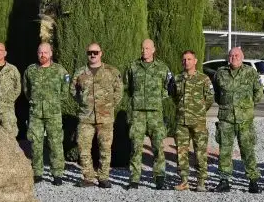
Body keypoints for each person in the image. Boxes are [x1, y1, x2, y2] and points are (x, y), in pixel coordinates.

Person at [70, 43, 124, 188]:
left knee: (105, 148)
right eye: (89, 53)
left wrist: (108, 106)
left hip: (105, 118)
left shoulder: (112, 71)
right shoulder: (80, 72)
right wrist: (84, 104)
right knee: (83, 147)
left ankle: (103, 178)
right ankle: (88, 177)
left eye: (95, 52)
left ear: (101, 53)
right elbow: (73, 91)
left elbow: (119, 92)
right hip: (86, 118)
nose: (92, 55)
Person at [212, 47, 264, 193]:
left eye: (237, 55)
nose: (234, 57)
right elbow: (216, 93)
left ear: (242, 56)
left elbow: (258, 91)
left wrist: (249, 105)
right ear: (228, 58)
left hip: (245, 119)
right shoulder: (220, 73)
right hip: (226, 118)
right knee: (224, 151)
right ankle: (224, 180)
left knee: (248, 150)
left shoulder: (250, 72)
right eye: (231, 55)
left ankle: (253, 181)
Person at [125, 39, 173, 189]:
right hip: (138, 113)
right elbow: (128, 87)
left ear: (153, 49)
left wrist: (157, 98)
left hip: (155, 114)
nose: (144, 51)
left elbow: (168, 88)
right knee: (136, 147)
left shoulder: (162, 68)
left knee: (158, 146)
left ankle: (159, 178)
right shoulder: (133, 67)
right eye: (142, 48)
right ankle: (134, 179)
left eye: (147, 48)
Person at [23, 43, 69, 185]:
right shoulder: (30, 71)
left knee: (55, 143)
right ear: (37, 54)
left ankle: (57, 173)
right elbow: (26, 90)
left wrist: (53, 102)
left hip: (53, 113)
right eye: (40, 52)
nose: (42, 55)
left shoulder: (60, 71)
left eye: (45, 52)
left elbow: (65, 91)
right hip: (35, 113)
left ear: (51, 53)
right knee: (35, 143)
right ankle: (37, 172)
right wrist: (35, 102)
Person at [171, 50, 214, 192]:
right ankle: (184, 180)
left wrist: (199, 111)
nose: (186, 62)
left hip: (198, 121)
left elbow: (209, 98)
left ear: (195, 61)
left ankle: (201, 181)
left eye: (189, 59)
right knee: (181, 152)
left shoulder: (204, 79)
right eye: (184, 59)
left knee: (200, 152)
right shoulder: (177, 79)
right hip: (181, 121)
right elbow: (174, 97)